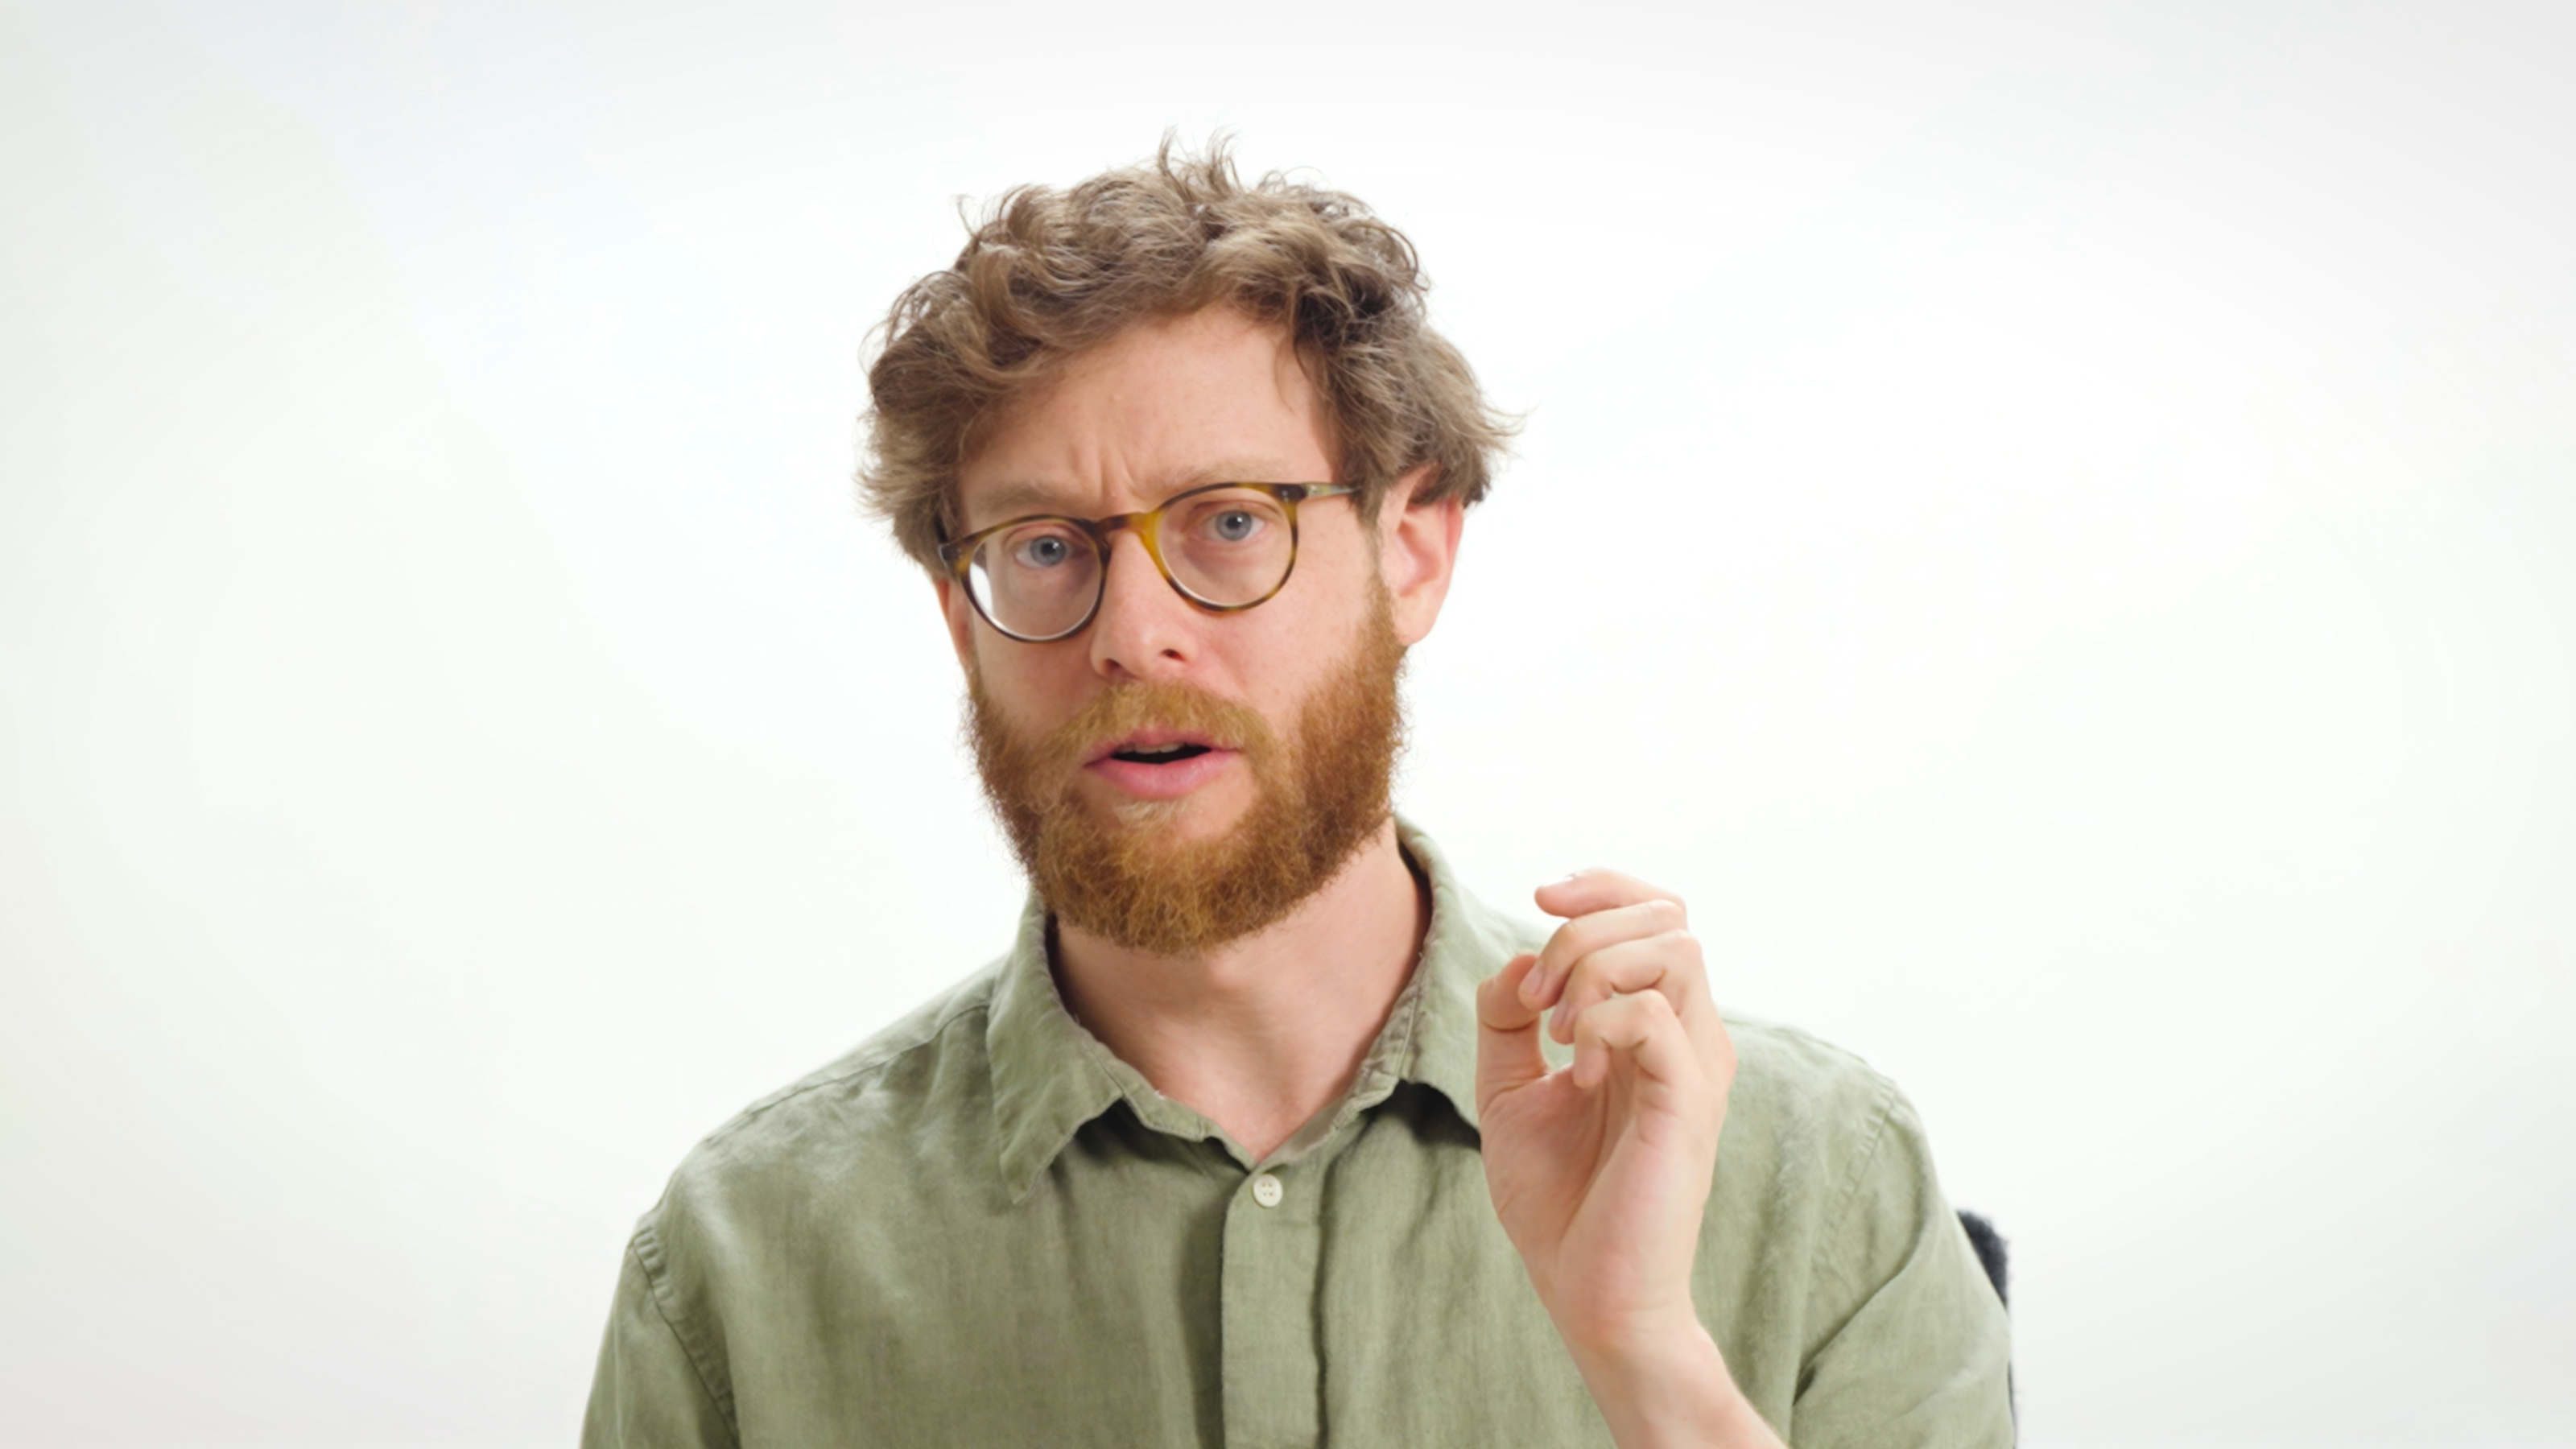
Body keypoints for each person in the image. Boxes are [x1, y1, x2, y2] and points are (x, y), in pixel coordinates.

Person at [580, 142, 2013, 1448]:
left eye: (1229, 523)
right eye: (1042, 549)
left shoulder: (1820, 1181)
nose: (1131, 630)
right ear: (960, 621)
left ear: (1414, 552)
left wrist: (1645, 1357)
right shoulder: (739, 1267)